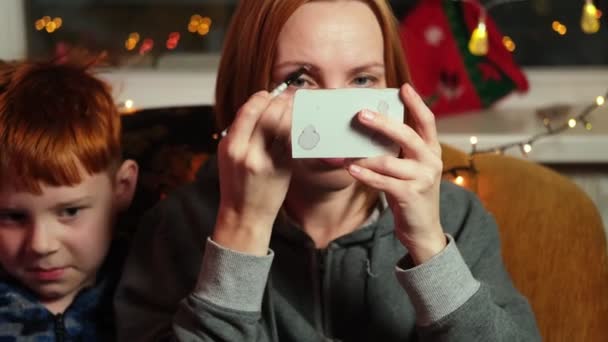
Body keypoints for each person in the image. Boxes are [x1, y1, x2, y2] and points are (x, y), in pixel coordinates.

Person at [114, 0, 540, 340]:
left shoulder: (457, 217)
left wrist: (429, 247)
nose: (342, 115)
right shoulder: (179, 223)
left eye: (362, 81)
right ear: (247, 91)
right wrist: (241, 229)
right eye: (300, 79)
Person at [0, 59, 138, 340]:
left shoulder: (153, 287)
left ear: (122, 187)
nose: (41, 245)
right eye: (13, 216)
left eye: (70, 211)